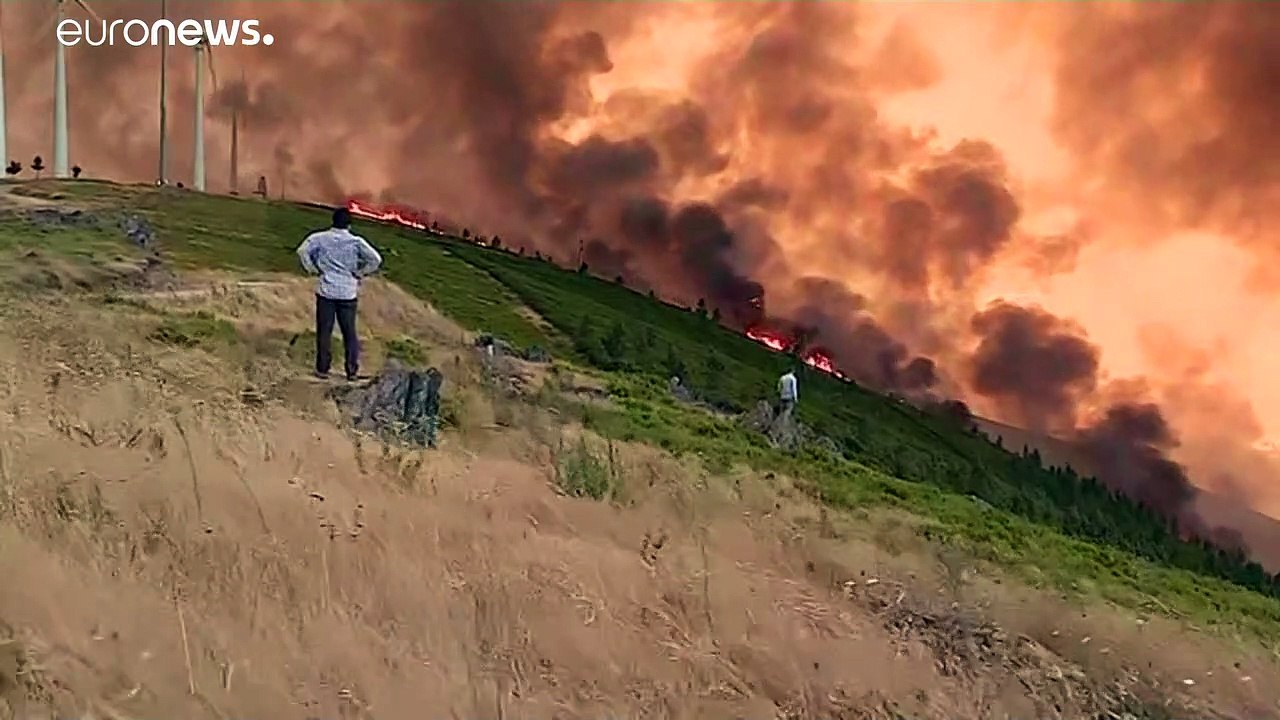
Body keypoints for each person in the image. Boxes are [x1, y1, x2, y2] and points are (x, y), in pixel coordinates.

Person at [296, 207, 383, 381]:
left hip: (326, 290)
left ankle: (322, 369)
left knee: (324, 331)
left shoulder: (320, 238)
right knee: (349, 332)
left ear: (332, 221)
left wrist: (312, 268)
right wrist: (361, 272)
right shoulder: (355, 242)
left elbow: (302, 251)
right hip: (347, 292)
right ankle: (351, 371)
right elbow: (376, 259)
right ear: (349, 225)